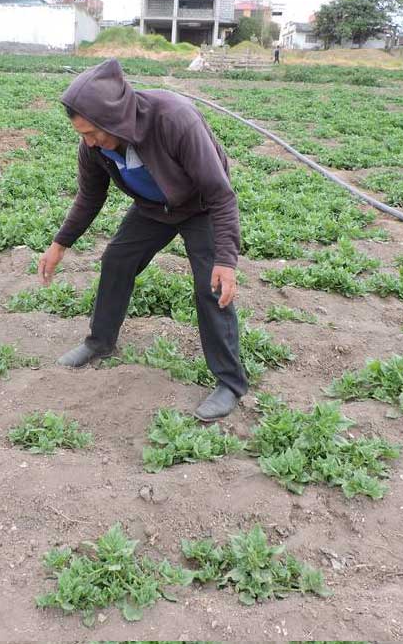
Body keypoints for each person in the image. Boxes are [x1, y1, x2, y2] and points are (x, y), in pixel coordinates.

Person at [37, 58, 248, 421]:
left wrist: (226, 261)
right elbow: (90, 197)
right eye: (82, 134)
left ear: (114, 118)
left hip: (200, 207)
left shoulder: (175, 119)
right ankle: (100, 342)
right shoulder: (94, 147)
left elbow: (220, 194)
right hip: (154, 206)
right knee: (117, 259)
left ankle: (229, 382)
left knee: (210, 285)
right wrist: (60, 243)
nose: (88, 142)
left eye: (93, 132)